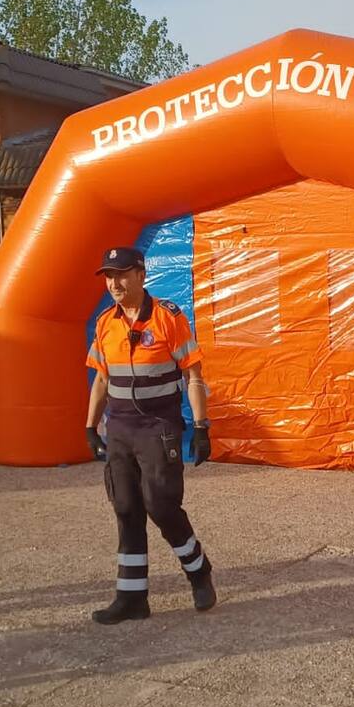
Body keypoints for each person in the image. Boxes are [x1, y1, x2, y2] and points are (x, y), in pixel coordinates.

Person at [85, 245, 217, 624]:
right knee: (126, 510)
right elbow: (101, 379)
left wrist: (201, 426)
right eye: (109, 276)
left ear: (141, 275)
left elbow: (193, 375)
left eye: (122, 274)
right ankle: (131, 599)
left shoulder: (168, 318)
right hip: (121, 430)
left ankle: (199, 572)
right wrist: (90, 426)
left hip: (158, 429)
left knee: (161, 507)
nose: (114, 283)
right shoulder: (105, 322)